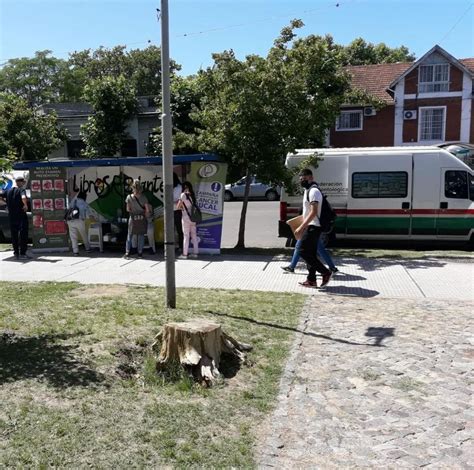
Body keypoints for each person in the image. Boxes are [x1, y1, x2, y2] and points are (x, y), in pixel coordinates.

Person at [293, 168, 332, 288]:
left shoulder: (314, 191)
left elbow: (314, 212)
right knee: (310, 253)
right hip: (310, 226)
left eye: (304, 179)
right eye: (301, 179)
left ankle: (325, 272)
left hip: (314, 226)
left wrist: (301, 227)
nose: (302, 181)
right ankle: (311, 280)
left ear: (311, 178)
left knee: (302, 251)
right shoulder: (307, 190)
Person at [0, 175, 31, 260]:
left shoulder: (8, 191)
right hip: (21, 216)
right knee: (23, 234)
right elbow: (23, 197)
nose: (24, 184)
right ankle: (23, 254)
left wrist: (6, 203)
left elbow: (0, 196)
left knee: (14, 235)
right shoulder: (21, 190)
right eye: (23, 182)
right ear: (20, 182)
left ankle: (16, 253)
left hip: (11, 216)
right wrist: (25, 205)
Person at [124, 179, 151, 258]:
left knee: (130, 235)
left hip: (132, 218)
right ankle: (140, 253)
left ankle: (127, 252)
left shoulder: (129, 197)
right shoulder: (143, 197)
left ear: (133, 187)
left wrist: (133, 210)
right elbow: (147, 210)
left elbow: (128, 209)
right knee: (141, 235)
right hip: (141, 218)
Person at [177, 181, 199, 258]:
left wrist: (182, 207)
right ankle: (195, 253)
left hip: (186, 218)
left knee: (186, 236)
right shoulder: (192, 195)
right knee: (194, 235)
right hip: (193, 218)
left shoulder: (183, 195)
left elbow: (178, 206)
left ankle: (185, 254)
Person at [67, 191, 92, 256]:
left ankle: (75, 252)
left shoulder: (73, 201)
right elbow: (88, 213)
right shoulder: (84, 203)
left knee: (73, 237)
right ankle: (88, 249)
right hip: (80, 221)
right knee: (84, 234)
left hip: (70, 221)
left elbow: (69, 209)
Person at [173, 172, 184, 253]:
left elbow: (180, 199)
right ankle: (174, 246)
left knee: (179, 229)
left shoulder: (179, 187)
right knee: (171, 230)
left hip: (178, 210)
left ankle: (181, 246)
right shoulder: (171, 187)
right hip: (170, 210)